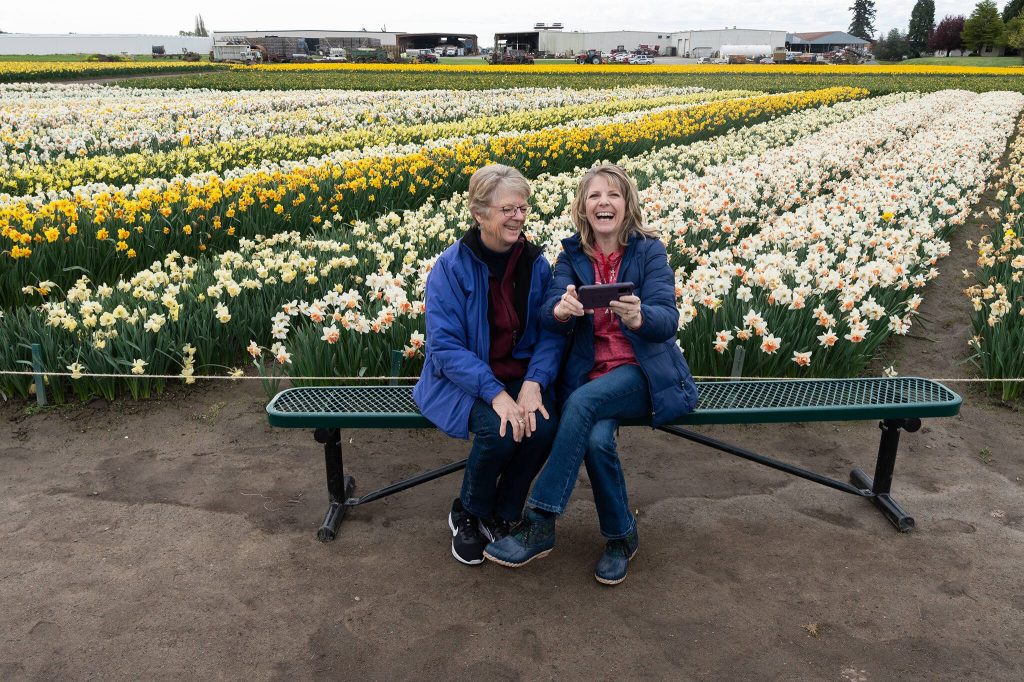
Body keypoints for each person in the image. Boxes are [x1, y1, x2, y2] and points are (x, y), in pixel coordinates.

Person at [483, 164, 699, 585]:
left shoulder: (648, 252)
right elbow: (549, 312)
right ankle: (622, 538)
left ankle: (541, 519)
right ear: (583, 207)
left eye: (613, 195)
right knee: (597, 439)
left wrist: (639, 318)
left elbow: (667, 319)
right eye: (595, 195)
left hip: (643, 375)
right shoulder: (571, 257)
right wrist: (561, 311)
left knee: (581, 404)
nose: (604, 203)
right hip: (593, 377)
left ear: (626, 204)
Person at [412, 164, 563, 566]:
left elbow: (550, 332)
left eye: (523, 208)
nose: (519, 217)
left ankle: (503, 513)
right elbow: (444, 348)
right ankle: (469, 512)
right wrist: (494, 392)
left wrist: (535, 382)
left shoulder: (536, 264)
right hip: (460, 381)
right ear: (479, 215)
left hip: (519, 377)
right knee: (499, 432)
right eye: (508, 209)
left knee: (543, 426)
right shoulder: (451, 267)